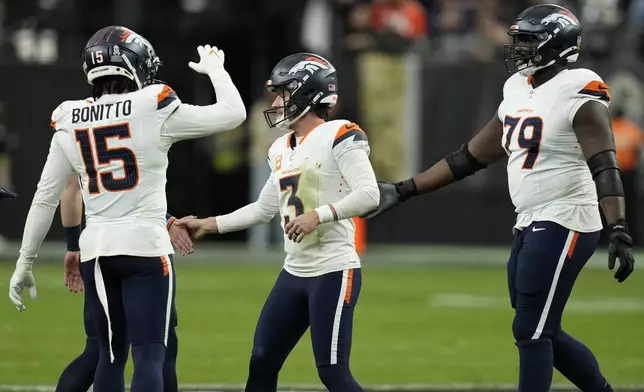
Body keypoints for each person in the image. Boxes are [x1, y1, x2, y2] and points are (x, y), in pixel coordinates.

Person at [366, 4, 634, 392]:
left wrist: (619, 226)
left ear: (555, 44)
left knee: (531, 330)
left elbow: (605, 165)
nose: (518, 48)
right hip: (528, 220)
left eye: (527, 41)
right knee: (543, 329)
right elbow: (470, 156)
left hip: (566, 218)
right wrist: (405, 189)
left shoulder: (580, 86)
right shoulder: (517, 88)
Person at [8, 25, 246, 392]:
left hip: (97, 250)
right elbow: (233, 114)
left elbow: (45, 197)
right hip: (147, 247)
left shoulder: (70, 118)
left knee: (109, 357)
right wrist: (216, 69)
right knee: (150, 355)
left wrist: (25, 262)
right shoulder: (153, 105)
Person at [173, 52, 379, 392]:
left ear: (305, 93)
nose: (276, 102)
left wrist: (319, 215)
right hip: (294, 271)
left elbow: (369, 194)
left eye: (283, 93)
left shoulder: (340, 134)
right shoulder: (281, 147)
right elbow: (262, 209)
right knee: (262, 361)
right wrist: (208, 224)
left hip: (333, 269)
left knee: (332, 373)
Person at [55, 175, 193, 392]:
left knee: (104, 352)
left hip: (100, 251)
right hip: (144, 249)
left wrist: (72, 245)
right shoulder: (140, 141)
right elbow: (122, 191)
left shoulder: (76, 141)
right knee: (155, 349)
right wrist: (165, 220)